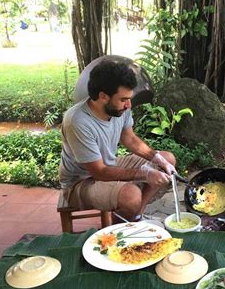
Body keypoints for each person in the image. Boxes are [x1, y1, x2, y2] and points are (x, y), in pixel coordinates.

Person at [59, 60, 176, 222]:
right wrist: (145, 173)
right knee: (131, 195)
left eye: (129, 98)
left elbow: (130, 138)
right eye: (123, 99)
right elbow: (99, 172)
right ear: (103, 96)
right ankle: (118, 229)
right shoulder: (77, 121)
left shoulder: (120, 109)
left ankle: (135, 216)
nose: (129, 105)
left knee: (167, 159)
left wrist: (156, 158)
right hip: (80, 181)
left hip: (108, 165)